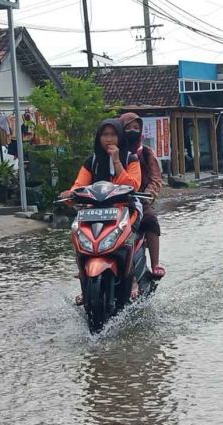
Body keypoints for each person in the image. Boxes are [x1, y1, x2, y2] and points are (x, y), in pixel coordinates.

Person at [60, 119, 142, 302]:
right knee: (77, 233)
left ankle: (133, 276)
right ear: (99, 138)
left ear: (120, 137)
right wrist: (71, 194)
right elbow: (80, 184)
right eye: (105, 135)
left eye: (113, 134)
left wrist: (116, 161)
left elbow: (133, 186)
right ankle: (84, 277)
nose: (109, 139)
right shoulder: (93, 161)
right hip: (95, 209)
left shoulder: (131, 158)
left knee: (131, 233)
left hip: (125, 207)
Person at [118, 112, 166, 279]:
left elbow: (155, 178)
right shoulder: (112, 152)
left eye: (136, 128)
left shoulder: (145, 153)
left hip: (139, 199)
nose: (132, 131)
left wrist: (148, 193)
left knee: (150, 220)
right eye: (128, 128)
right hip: (113, 201)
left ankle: (155, 264)